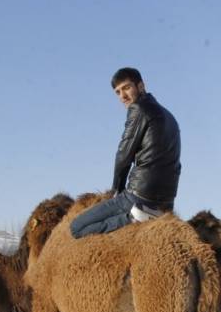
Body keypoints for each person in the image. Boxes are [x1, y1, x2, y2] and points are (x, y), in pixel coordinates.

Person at [70, 67, 181, 238]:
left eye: (127, 87)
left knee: (76, 227)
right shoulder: (170, 117)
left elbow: (123, 156)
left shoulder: (138, 108)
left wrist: (117, 190)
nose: (122, 96)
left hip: (141, 195)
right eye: (118, 92)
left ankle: (130, 219)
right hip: (167, 200)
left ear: (141, 86)